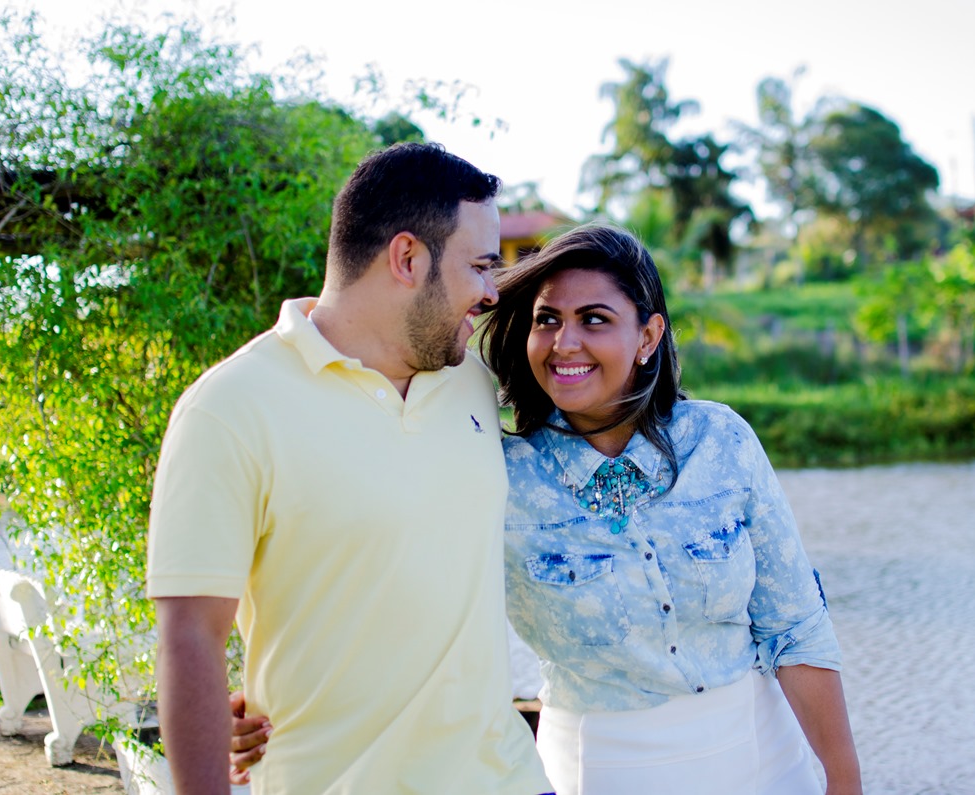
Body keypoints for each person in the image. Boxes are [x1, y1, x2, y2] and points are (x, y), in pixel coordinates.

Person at [234, 223, 862, 793]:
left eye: (594, 319)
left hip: (767, 758)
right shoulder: (497, 471)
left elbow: (795, 626)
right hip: (606, 769)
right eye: (547, 320)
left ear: (647, 336)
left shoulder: (722, 442)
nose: (565, 343)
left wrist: (842, 780)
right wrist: (270, 700)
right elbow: (392, 598)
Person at [146, 143, 552, 794]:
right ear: (407, 257)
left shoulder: (472, 380)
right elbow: (190, 635)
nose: (490, 291)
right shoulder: (228, 409)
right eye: (479, 266)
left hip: (504, 778)